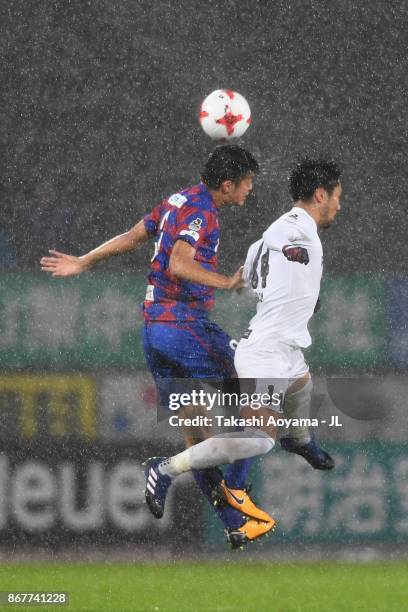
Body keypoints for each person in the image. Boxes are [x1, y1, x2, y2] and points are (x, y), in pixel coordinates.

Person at [40, 144, 273, 548]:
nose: (250, 189)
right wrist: (228, 283)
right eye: (248, 182)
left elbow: (133, 237)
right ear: (228, 184)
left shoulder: (177, 200)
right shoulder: (204, 213)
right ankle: (235, 494)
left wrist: (85, 260)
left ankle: (233, 523)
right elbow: (178, 264)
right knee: (262, 399)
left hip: (154, 333)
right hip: (183, 324)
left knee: (198, 439)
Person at [144, 158, 342, 546]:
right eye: (337, 197)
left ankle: (298, 439)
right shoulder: (296, 228)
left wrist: (286, 287)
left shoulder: (267, 243)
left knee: (301, 385)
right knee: (258, 439)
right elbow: (283, 242)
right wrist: (293, 256)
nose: (339, 205)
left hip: (286, 350)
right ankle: (167, 469)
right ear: (321, 195)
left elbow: (251, 281)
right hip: (265, 352)